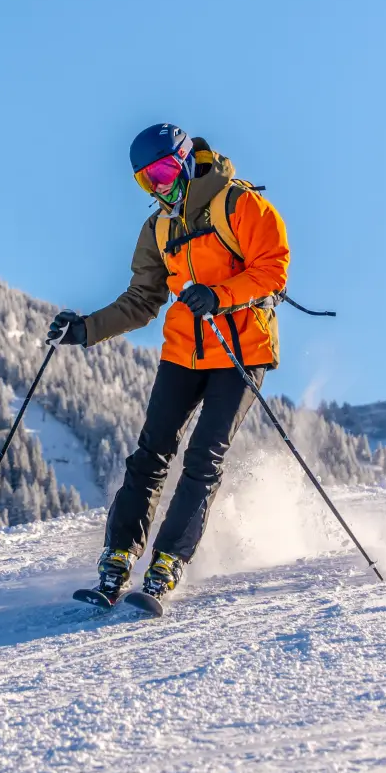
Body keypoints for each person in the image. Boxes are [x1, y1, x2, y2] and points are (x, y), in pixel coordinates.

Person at [47, 123, 290, 603]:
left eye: (161, 171)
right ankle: (117, 558)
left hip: (241, 349)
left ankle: (167, 562)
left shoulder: (238, 204)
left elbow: (273, 269)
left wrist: (220, 296)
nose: (157, 187)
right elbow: (142, 298)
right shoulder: (158, 226)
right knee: (150, 452)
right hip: (185, 350)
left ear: (184, 159)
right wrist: (86, 329)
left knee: (204, 457)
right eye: (145, 181)